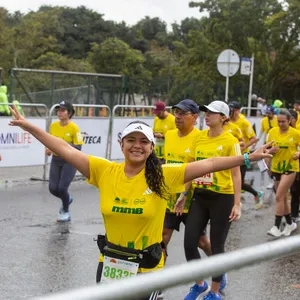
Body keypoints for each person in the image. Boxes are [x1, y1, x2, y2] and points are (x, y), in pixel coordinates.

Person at [8, 104, 272, 300]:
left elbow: (211, 163)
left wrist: (248, 158)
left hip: (147, 266)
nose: (137, 145)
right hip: (111, 263)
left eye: (143, 141)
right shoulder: (104, 170)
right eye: (131, 140)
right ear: (121, 144)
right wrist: (30, 127)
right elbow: (64, 148)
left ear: (151, 148)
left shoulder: (165, 175)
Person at [183, 101, 242, 300]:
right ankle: (200, 284)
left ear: (223, 117)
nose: (207, 115)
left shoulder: (230, 141)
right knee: (190, 242)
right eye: (206, 112)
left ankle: (214, 292)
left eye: (212, 112)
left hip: (222, 198)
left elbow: (236, 174)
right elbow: (191, 169)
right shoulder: (199, 138)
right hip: (200, 196)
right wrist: (184, 195)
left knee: (217, 246)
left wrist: (236, 203)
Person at [162, 100, 211, 295]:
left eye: (183, 113)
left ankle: (219, 270)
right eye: (176, 112)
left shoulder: (201, 138)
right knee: (162, 238)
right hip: (170, 197)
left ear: (194, 117)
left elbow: (197, 171)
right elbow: (167, 164)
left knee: (201, 242)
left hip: (192, 200)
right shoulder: (169, 135)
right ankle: (158, 282)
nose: (178, 116)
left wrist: (184, 193)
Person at [46, 100, 84, 222]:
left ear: (69, 113)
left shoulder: (74, 128)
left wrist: (62, 145)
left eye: (63, 110)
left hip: (70, 160)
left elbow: (78, 147)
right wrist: (48, 148)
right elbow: (49, 141)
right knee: (53, 188)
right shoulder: (53, 126)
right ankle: (67, 198)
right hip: (56, 159)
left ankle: (65, 211)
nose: (59, 112)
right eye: (58, 110)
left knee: (62, 188)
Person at [266, 109, 300, 237]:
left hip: (290, 167)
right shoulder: (272, 132)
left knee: (279, 195)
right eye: (278, 121)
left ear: (290, 120)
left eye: (283, 122)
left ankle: (276, 226)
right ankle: (290, 223)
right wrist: (271, 150)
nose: (280, 124)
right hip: (276, 167)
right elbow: (266, 149)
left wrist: (299, 153)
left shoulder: (295, 133)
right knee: (284, 198)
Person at [229, 101, 263, 209]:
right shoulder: (227, 121)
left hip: (242, 156)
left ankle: (256, 194)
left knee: (239, 182)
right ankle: (233, 204)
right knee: (229, 181)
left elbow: (254, 138)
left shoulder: (244, 123)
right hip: (230, 156)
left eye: (233, 110)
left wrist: (244, 146)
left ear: (238, 111)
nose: (230, 111)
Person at [288, 109, 300, 223]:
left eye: (290, 118)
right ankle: (294, 213)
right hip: (290, 165)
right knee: (294, 190)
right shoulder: (284, 132)